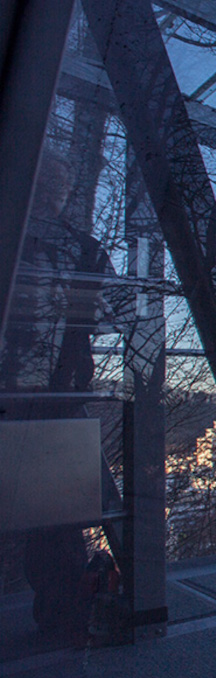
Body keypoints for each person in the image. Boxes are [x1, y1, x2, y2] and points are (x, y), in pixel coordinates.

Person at [1, 148, 116, 639]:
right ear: (60, 193)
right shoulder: (83, 250)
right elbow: (111, 313)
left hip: (12, 393)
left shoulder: (12, 238)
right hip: (61, 399)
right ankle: (62, 617)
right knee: (58, 520)